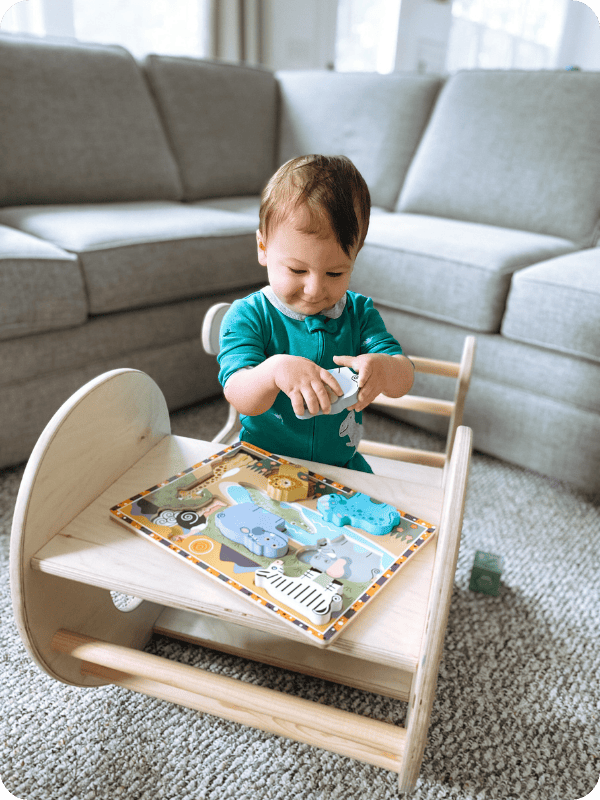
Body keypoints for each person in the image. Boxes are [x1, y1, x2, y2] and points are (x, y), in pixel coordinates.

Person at [217, 154, 414, 473]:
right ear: (263, 248)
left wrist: (384, 368)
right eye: (297, 269)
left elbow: (404, 377)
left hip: (342, 464)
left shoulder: (359, 313)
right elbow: (239, 394)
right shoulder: (249, 315)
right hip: (262, 462)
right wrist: (275, 370)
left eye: (335, 273)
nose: (314, 289)